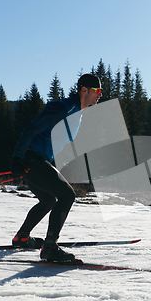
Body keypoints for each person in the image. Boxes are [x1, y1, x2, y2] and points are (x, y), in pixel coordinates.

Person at [10, 73, 102, 262]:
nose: (100, 94)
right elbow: (31, 129)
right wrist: (17, 158)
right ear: (84, 90)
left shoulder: (78, 112)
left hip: (37, 159)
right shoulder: (64, 107)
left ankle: (22, 237)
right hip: (32, 158)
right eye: (97, 90)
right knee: (67, 195)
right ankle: (50, 248)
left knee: (48, 200)